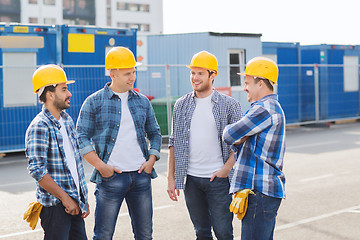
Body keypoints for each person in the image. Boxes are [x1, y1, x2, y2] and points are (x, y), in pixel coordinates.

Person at [76, 46, 162, 240]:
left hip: (141, 177)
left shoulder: (142, 102)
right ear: (112, 73)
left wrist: (152, 159)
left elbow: (155, 133)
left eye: (134, 72)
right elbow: (80, 136)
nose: (132, 77)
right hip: (110, 178)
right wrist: (101, 166)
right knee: (103, 236)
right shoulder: (94, 102)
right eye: (127, 73)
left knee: (145, 235)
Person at [167, 51, 243, 240]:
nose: (195, 78)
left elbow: (241, 144)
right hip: (191, 180)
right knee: (201, 233)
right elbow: (173, 142)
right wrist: (171, 177)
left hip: (218, 180)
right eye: (193, 73)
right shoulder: (181, 105)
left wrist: (225, 170)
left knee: (224, 233)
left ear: (213, 75)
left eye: (200, 73)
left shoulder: (229, 105)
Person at [222, 57, 286, 240]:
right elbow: (237, 138)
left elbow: (228, 135)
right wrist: (240, 136)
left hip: (259, 192)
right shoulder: (267, 108)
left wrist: (239, 136)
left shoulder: (263, 110)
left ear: (260, 83)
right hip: (262, 192)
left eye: (247, 82)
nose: (244, 87)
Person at [25, 64, 89, 239]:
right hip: (55, 208)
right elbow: (37, 171)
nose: (69, 94)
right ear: (50, 95)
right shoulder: (39, 126)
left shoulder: (67, 120)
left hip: (74, 203)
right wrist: (65, 198)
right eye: (64, 89)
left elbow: (74, 164)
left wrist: (81, 198)